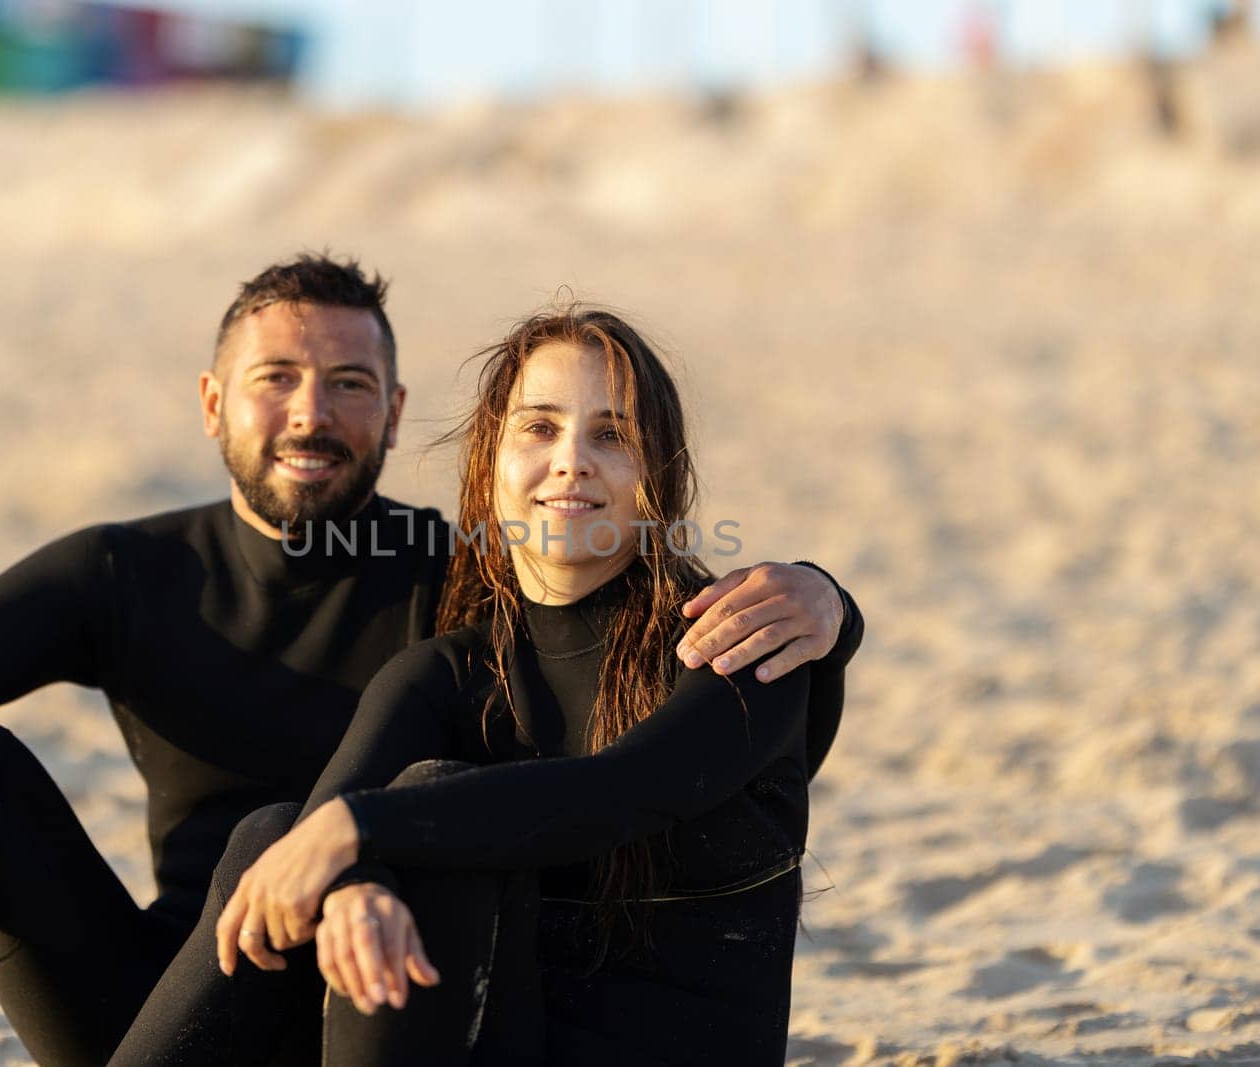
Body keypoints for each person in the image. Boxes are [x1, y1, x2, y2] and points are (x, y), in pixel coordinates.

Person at [0, 256, 860, 1067]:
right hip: (193, 985)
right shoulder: (133, 572)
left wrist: (825, 599)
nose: (311, 412)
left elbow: (630, 740)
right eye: (278, 379)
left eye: (349, 382)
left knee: (360, 820)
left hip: (393, 984)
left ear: (397, 416)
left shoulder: (465, 578)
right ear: (213, 401)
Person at [110, 306, 863, 1065]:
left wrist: (359, 831)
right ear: (489, 463)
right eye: (539, 428)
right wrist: (353, 876)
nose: (572, 460)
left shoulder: (741, 639)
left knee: (415, 812)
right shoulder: (447, 673)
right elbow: (310, 841)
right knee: (274, 836)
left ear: (659, 473)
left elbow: (624, 788)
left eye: (612, 434)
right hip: (501, 1042)